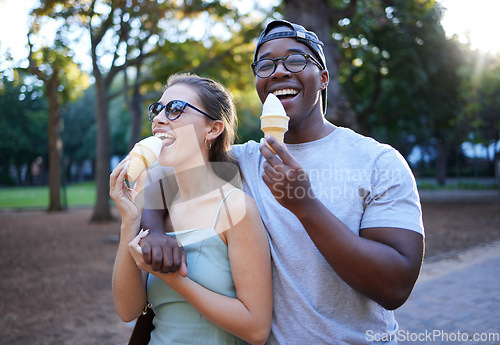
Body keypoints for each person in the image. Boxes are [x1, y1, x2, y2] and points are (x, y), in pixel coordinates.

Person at [141, 20, 425, 344]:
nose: (278, 72)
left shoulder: (377, 162)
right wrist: (155, 230)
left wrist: (306, 207)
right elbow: (161, 176)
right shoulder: (242, 162)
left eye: (295, 60)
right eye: (266, 65)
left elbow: (395, 286)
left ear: (323, 78)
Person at [109, 73, 272, 345]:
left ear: (213, 129)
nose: (159, 119)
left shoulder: (235, 208)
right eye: (157, 109)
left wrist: (173, 280)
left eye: (175, 109)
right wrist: (129, 220)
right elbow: (127, 311)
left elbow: (256, 330)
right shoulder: (157, 205)